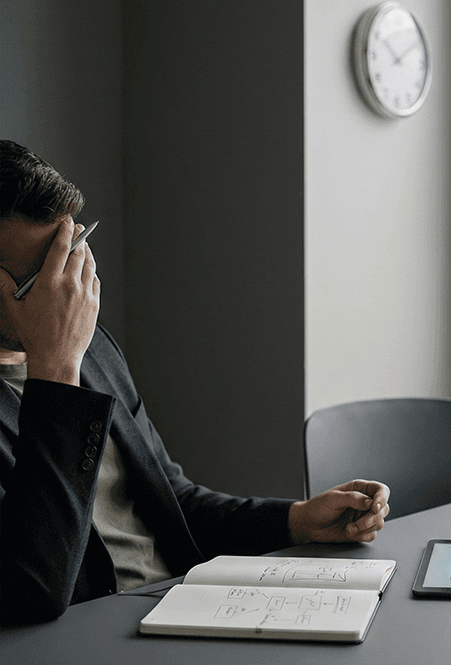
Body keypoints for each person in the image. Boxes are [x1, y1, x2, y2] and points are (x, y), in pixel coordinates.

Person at [0, 140, 390, 624]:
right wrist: (57, 374)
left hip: (178, 607)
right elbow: (29, 595)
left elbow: (174, 500)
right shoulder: (67, 353)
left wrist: (296, 520)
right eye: (45, 275)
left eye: (74, 253)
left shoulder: (92, 348)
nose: (73, 288)